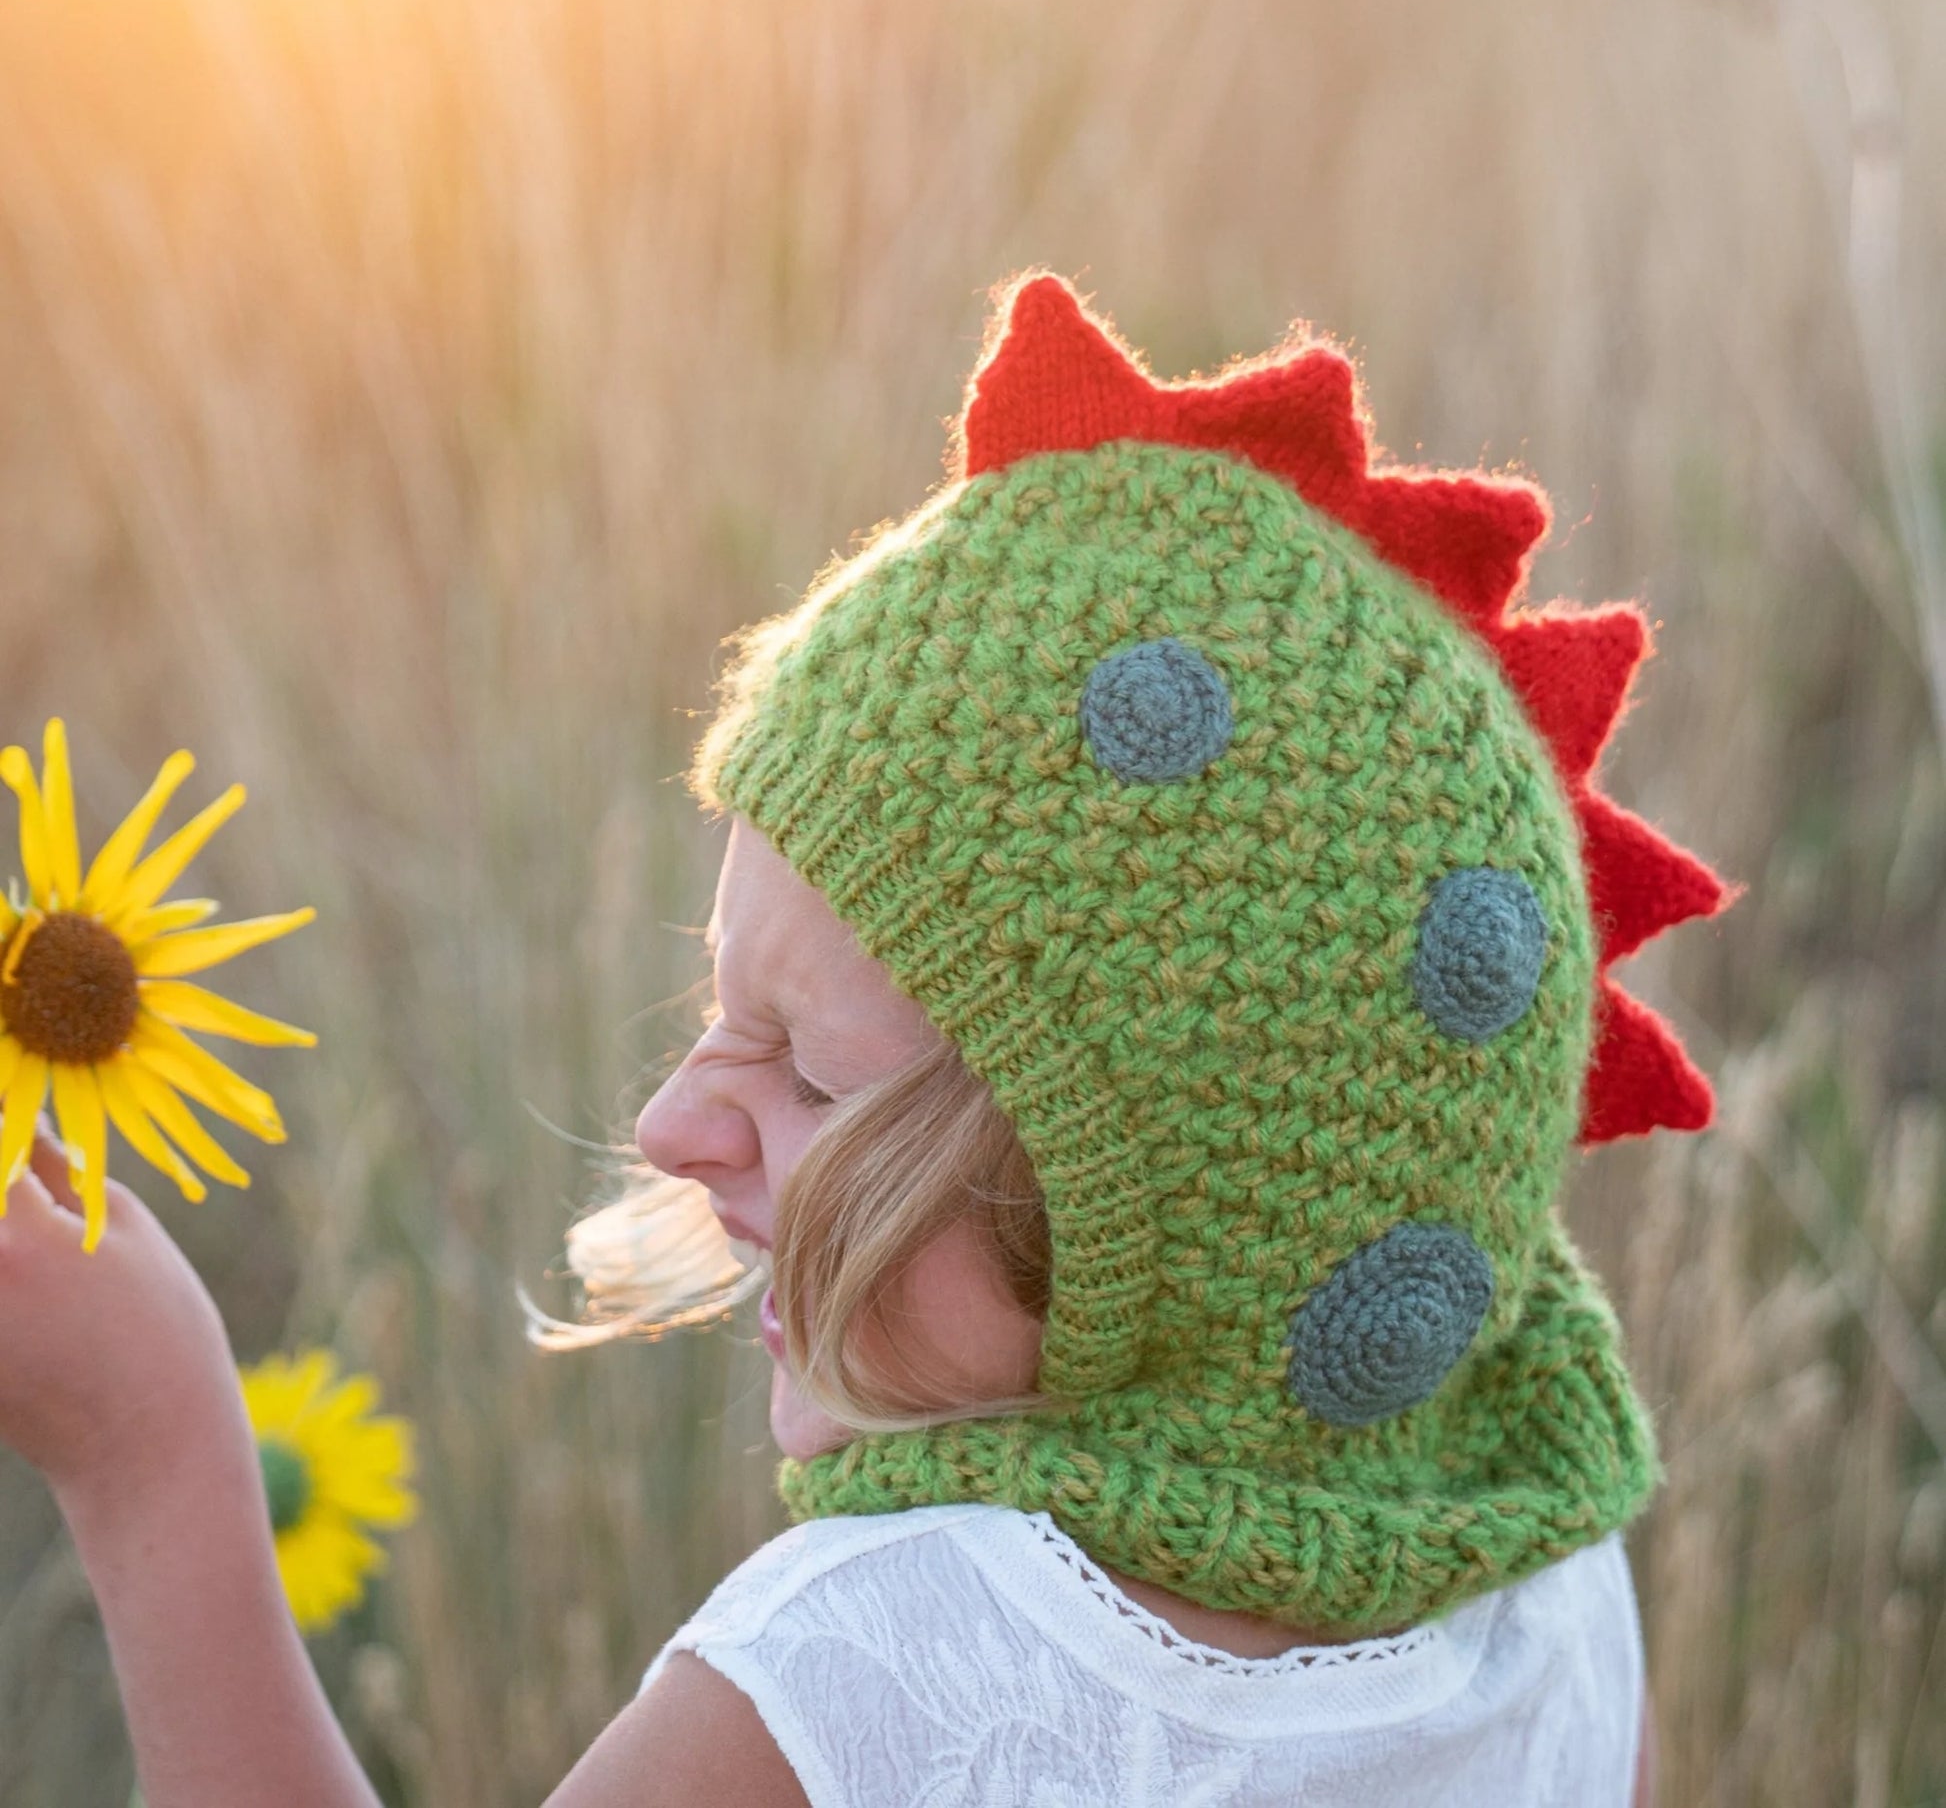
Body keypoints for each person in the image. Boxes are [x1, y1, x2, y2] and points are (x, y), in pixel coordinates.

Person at [0, 272, 1726, 1806]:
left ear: (1167, 1230)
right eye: (712, 1007)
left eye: (808, 1069)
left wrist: (154, 1464)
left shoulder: (871, 1678)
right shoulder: (1548, 1582)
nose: (676, 1121)